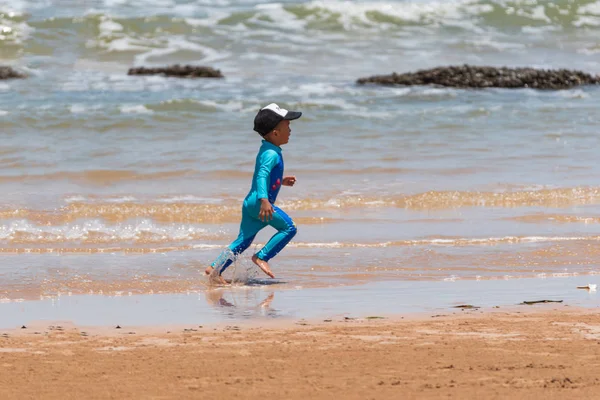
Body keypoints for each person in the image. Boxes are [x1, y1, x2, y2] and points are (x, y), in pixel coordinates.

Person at [204, 103, 302, 285]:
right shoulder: (271, 154)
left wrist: (281, 180)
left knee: (243, 241)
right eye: (287, 126)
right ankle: (262, 257)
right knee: (289, 228)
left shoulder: (268, 150)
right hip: (259, 203)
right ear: (275, 133)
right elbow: (262, 175)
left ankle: (215, 269)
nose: (290, 130)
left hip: (251, 203)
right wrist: (264, 200)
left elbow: (266, 175)